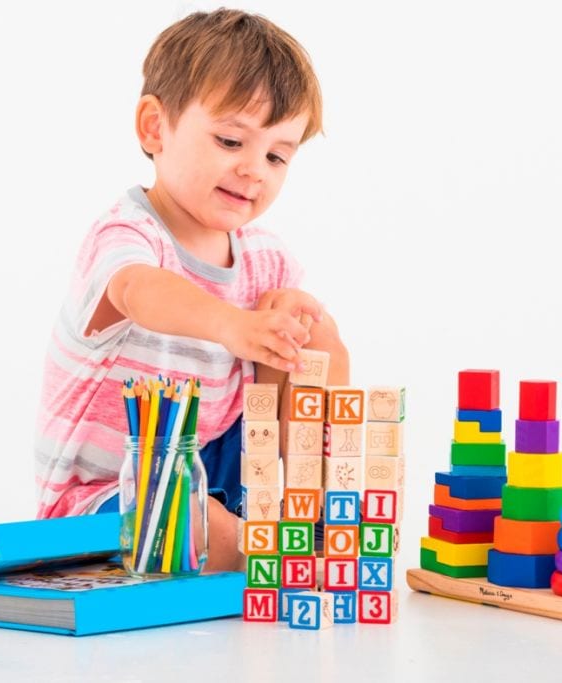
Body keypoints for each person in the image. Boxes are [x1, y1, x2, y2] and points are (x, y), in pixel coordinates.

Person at [34, 9, 349, 571]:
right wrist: (235, 326)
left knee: (310, 328)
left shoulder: (267, 258)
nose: (255, 169)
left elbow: (296, 383)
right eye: (231, 140)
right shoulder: (128, 234)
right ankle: (265, 554)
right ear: (155, 128)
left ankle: (317, 514)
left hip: (223, 474)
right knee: (190, 520)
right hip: (108, 497)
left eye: (277, 155)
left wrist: (305, 335)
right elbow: (137, 290)